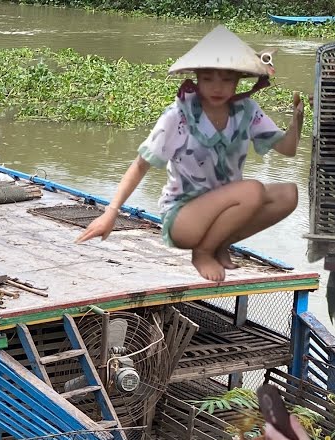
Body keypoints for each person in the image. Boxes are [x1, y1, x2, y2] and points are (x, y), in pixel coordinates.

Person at [76, 25, 303, 283]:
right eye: (208, 79)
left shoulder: (246, 111)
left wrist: (297, 122)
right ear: (196, 77)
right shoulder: (179, 116)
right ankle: (203, 252)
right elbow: (140, 165)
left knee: (288, 194)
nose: (217, 88)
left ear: (239, 80)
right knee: (252, 191)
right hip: (184, 217)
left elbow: (288, 149)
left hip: (226, 210)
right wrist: (110, 213)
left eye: (227, 79)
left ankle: (219, 243)